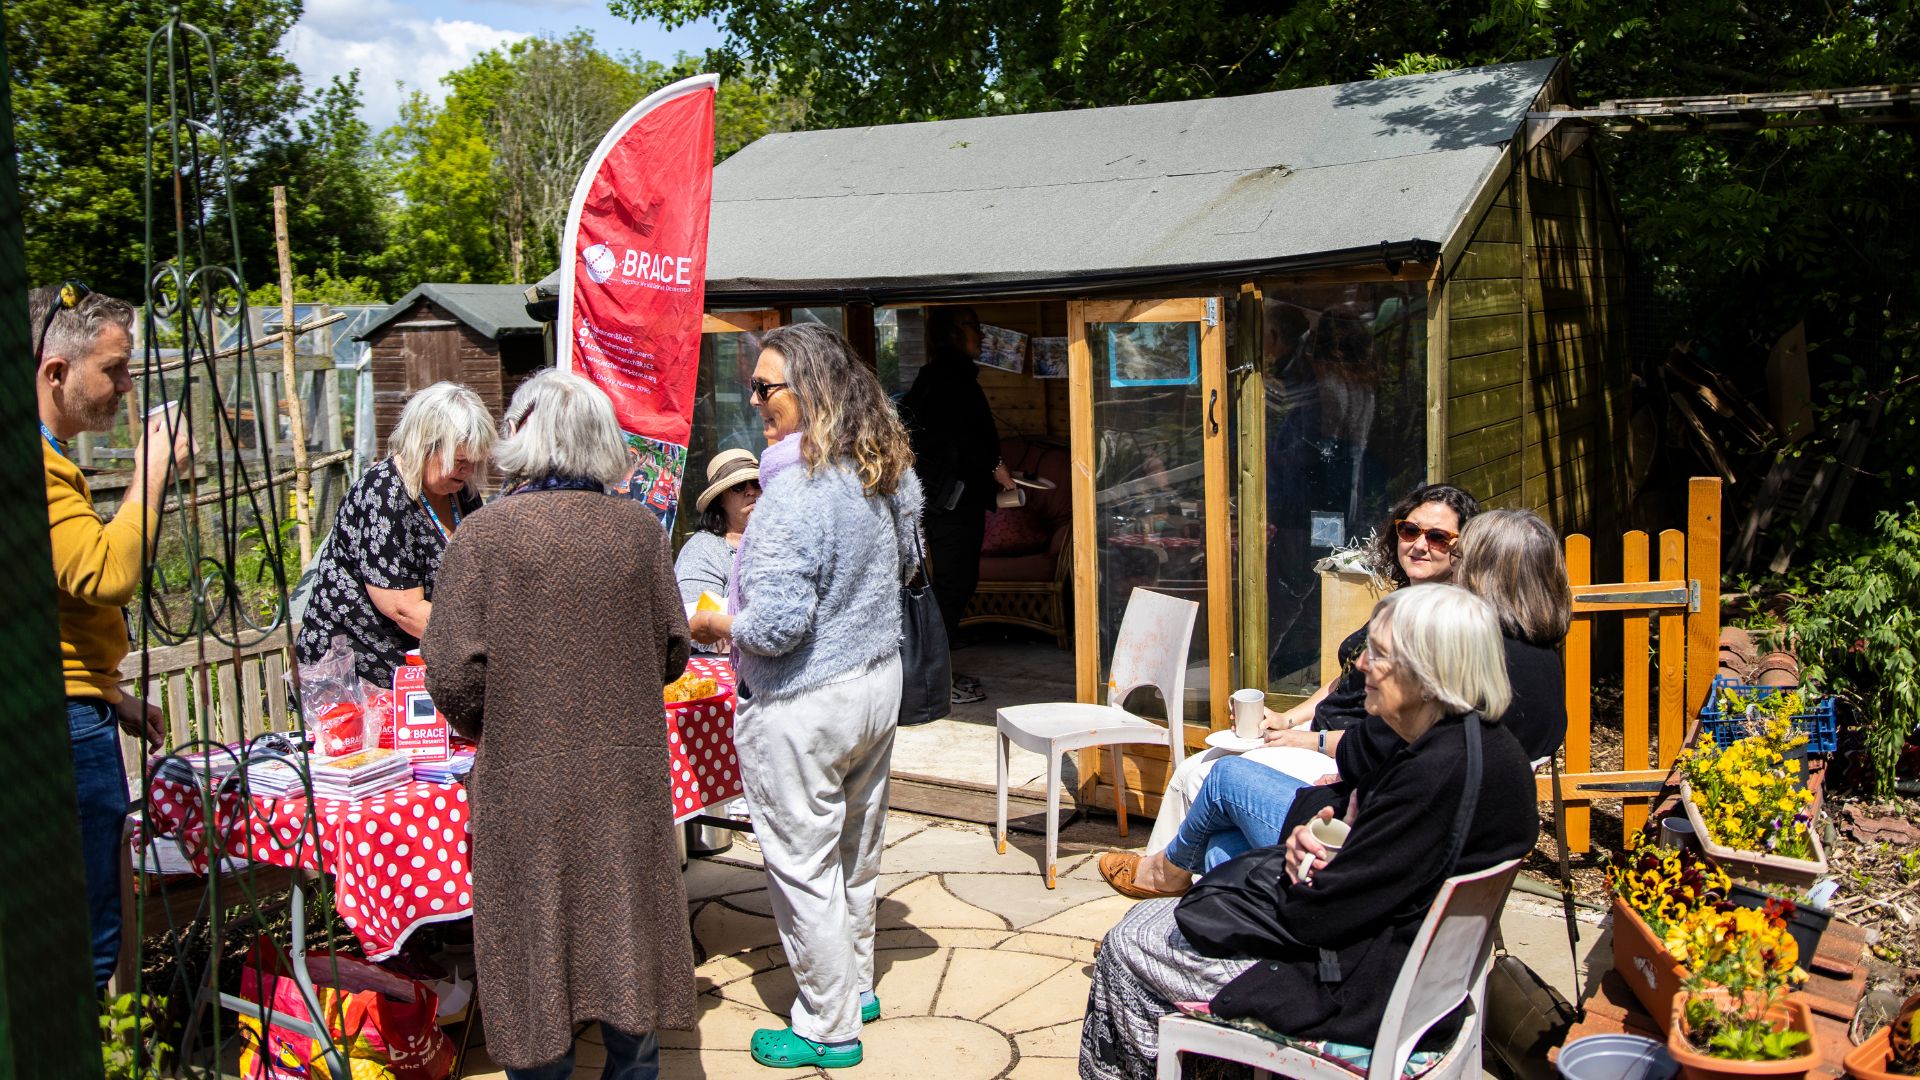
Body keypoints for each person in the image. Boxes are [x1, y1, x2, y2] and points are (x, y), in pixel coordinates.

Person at [1079, 586, 1538, 1080]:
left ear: (1429, 674)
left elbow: (1316, 916)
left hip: (1357, 990)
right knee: (1220, 860)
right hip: (1408, 968)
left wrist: (1304, 868)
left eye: (1379, 653)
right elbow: (1348, 824)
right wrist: (1317, 836)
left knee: (1129, 941)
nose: (1360, 663)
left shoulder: (1432, 775)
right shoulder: (1480, 746)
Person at [422, 370, 695, 1080]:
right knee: (628, 960)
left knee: (534, 966)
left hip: (525, 789)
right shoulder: (640, 531)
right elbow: (671, 653)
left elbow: (453, 679)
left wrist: (510, 716)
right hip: (624, 785)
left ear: (521, 435)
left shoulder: (481, 539)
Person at [1098, 507, 1571, 898]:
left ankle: (1162, 883)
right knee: (1219, 845)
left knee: (1220, 784)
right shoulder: (1543, 663)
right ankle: (1172, 901)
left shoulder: (1471, 661)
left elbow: (1385, 748)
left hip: (1375, 852)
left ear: (1486, 571)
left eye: (1461, 553)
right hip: (1433, 852)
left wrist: (1340, 762)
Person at [688, 323, 921, 1069]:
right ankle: (852, 988)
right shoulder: (884, 470)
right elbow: (912, 563)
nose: (753, 400)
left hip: (804, 704)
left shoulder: (792, 493)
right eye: (752, 386)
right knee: (855, 851)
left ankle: (827, 1025)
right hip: (875, 685)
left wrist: (717, 619)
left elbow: (779, 627)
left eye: (767, 387)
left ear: (812, 390)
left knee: (804, 866)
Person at [1119, 482, 1480, 870]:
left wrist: (1309, 740)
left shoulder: (1443, 625)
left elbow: (1393, 737)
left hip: (1345, 760)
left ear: (1462, 550)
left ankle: (1164, 876)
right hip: (1323, 738)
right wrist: (1287, 718)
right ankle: (1181, 887)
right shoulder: (1398, 601)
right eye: (1409, 530)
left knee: (1207, 775)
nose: (1419, 544)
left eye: (1438, 537)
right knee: (1202, 786)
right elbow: (1343, 680)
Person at [36, 284, 188, 990]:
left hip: (79, 702)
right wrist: (151, 470)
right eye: (116, 368)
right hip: (64, 728)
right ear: (56, 372)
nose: (128, 387)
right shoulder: (37, 469)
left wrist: (108, 691)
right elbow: (102, 574)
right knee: (93, 946)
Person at [295, 382, 493, 685]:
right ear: (423, 445)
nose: (466, 471)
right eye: (459, 461)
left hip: (426, 660)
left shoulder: (461, 492)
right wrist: (483, 640)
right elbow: (404, 608)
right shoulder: (384, 495)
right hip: (359, 672)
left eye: (473, 462)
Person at [898, 305, 1014, 704]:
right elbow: (960, 442)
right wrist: (986, 469)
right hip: (951, 501)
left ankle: (936, 669)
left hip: (945, 497)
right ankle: (935, 675)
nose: (981, 335)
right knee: (954, 583)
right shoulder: (949, 378)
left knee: (950, 582)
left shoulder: (944, 376)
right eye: (973, 327)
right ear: (950, 332)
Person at [674, 447, 760, 643]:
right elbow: (693, 625)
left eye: (756, 483)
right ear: (720, 499)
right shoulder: (704, 550)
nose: (751, 491)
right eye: (739, 486)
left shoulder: (782, 540)